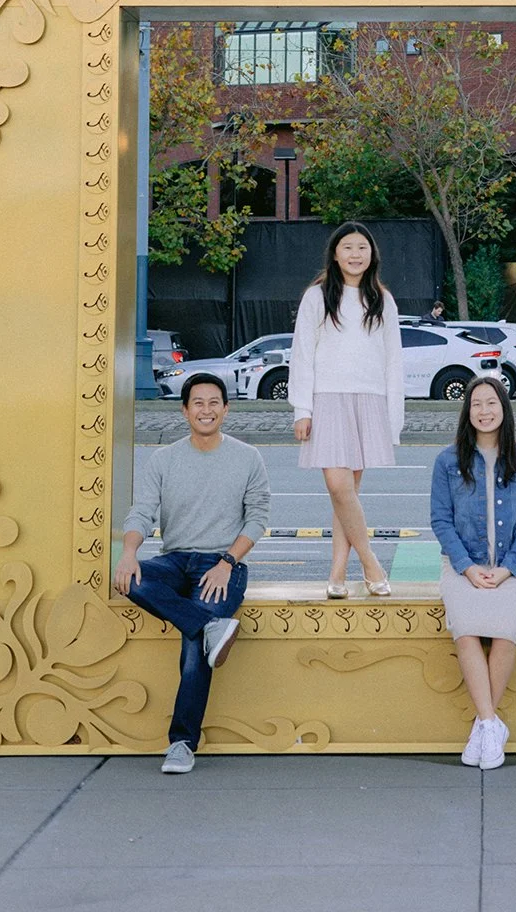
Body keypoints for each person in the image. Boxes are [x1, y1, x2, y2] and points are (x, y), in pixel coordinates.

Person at [114, 371, 271, 774]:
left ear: (226, 409)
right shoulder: (164, 459)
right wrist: (129, 552)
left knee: (192, 652)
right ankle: (209, 625)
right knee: (132, 578)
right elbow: (142, 512)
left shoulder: (247, 457)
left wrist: (227, 563)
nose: (206, 409)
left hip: (223, 564)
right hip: (175, 560)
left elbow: (256, 520)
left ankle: (182, 743)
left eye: (214, 402)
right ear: (185, 411)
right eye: (197, 403)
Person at [430, 376, 516, 771]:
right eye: (476, 404)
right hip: (462, 564)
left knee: (507, 631)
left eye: (491, 403)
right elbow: (440, 521)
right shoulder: (448, 461)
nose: (484, 410)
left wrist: (509, 568)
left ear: (503, 408)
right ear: (467, 411)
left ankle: (483, 725)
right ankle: (491, 723)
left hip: (511, 566)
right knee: (466, 631)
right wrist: (468, 568)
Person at [289, 221, 405, 597]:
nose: (356, 255)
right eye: (348, 248)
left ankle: (337, 573)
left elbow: (393, 362)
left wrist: (393, 419)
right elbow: (302, 355)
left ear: (372, 255)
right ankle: (371, 564)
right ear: (335, 254)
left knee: (347, 494)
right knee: (339, 487)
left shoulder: (382, 299)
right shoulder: (317, 296)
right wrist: (302, 410)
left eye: (362, 248)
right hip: (327, 399)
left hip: (369, 400)